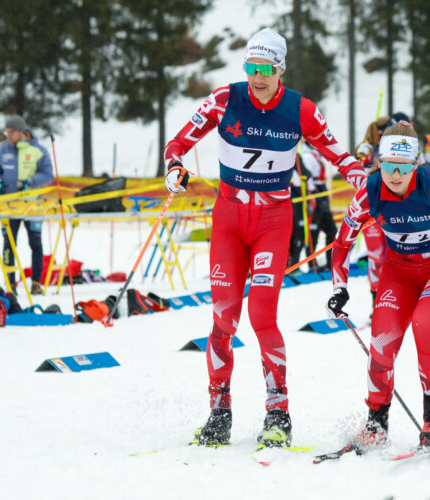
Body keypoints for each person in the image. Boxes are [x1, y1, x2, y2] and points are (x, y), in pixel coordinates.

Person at [163, 27, 366, 447]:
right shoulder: (225, 99)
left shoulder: (301, 110)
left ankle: (278, 414)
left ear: (280, 70)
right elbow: (178, 143)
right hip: (229, 219)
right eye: (251, 67)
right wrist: (174, 169)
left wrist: (372, 185)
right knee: (222, 318)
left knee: (262, 316)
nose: (257, 76)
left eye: (266, 68)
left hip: (274, 220)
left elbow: (339, 156)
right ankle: (219, 413)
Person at [326, 122, 430, 450]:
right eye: (388, 166)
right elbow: (343, 242)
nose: (396, 175)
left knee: (425, 323)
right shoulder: (370, 191)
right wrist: (338, 286)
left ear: (415, 164)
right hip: (399, 272)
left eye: (404, 167)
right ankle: (376, 423)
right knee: (382, 341)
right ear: (379, 163)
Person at [0, 115, 54, 294]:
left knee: (35, 242)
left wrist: (29, 182)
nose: (7, 135)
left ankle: (36, 283)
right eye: (6, 132)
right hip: (9, 205)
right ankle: (10, 284)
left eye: (10, 132)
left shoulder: (38, 150)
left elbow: (48, 174)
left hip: (33, 205)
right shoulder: (1, 150)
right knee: (9, 243)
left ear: (20, 132)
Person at [355, 117, 394, 309]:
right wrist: (362, 155)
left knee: (393, 255)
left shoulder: (392, 150)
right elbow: (356, 167)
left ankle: (393, 299)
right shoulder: (367, 147)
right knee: (375, 258)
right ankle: (375, 302)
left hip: (390, 210)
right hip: (370, 211)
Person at [300, 141, 337, 272]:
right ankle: (312, 265)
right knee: (313, 232)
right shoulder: (307, 156)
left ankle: (330, 263)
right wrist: (311, 200)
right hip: (315, 195)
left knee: (332, 231)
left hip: (321, 194)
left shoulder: (315, 154)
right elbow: (307, 179)